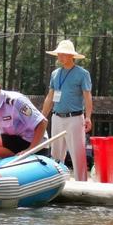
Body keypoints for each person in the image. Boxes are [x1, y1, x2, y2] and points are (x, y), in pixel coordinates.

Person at [41, 39, 93, 181]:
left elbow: (87, 97)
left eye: (63, 54)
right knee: (56, 153)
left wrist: (88, 117)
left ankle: (82, 186)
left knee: (78, 154)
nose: (60, 57)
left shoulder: (82, 74)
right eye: (59, 54)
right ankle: (57, 182)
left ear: (71, 56)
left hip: (75, 118)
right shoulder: (55, 74)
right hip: (57, 117)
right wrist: (42, 117)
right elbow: (50, 97)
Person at [0, 70, 48, 159]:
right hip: (15, 142)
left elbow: (42, 122)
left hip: (34, 144)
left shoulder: (16, 101)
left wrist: (31, 149)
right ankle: (14, 163)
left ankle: (26, 159)